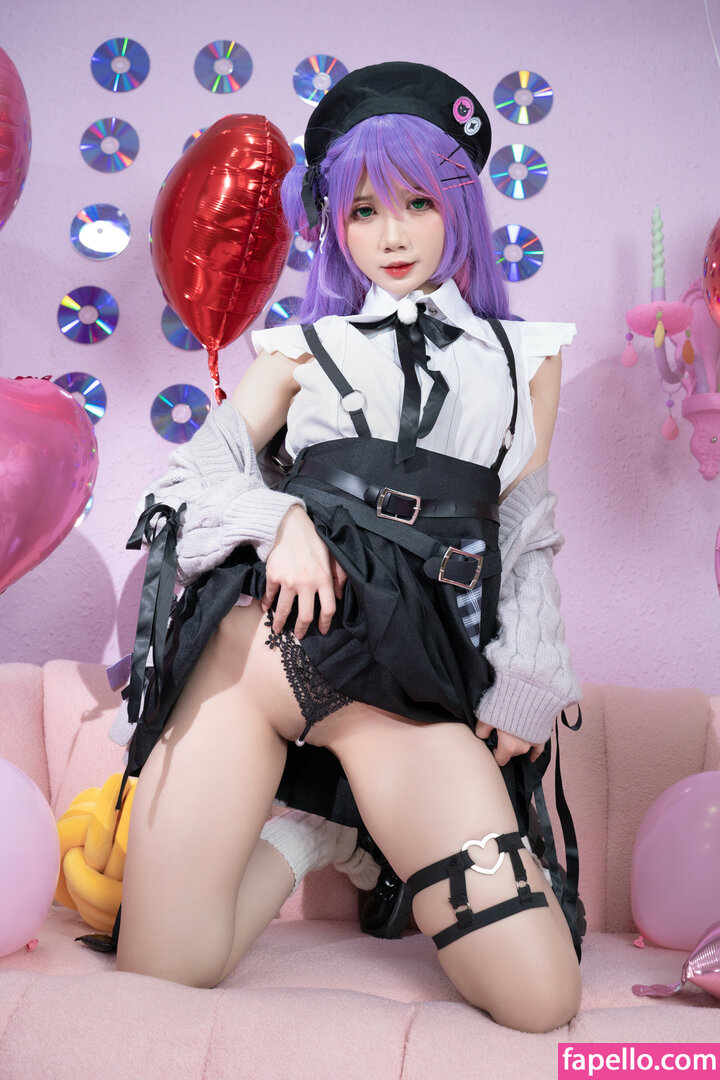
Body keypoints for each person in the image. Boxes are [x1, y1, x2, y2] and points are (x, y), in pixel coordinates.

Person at [115, 61, 583, 1033]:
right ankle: (311, 838)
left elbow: (526, 530)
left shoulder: (525, 357)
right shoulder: (301, 350)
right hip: (259, 656)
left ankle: (357, 835)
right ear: (335, 222)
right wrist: (278, 521)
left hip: (407, 680)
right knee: (164, 971)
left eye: (417, 203)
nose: (392, 235)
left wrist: (529, 682)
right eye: (364, 211)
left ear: (460, 205)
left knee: (541, 999)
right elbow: (185, 483)